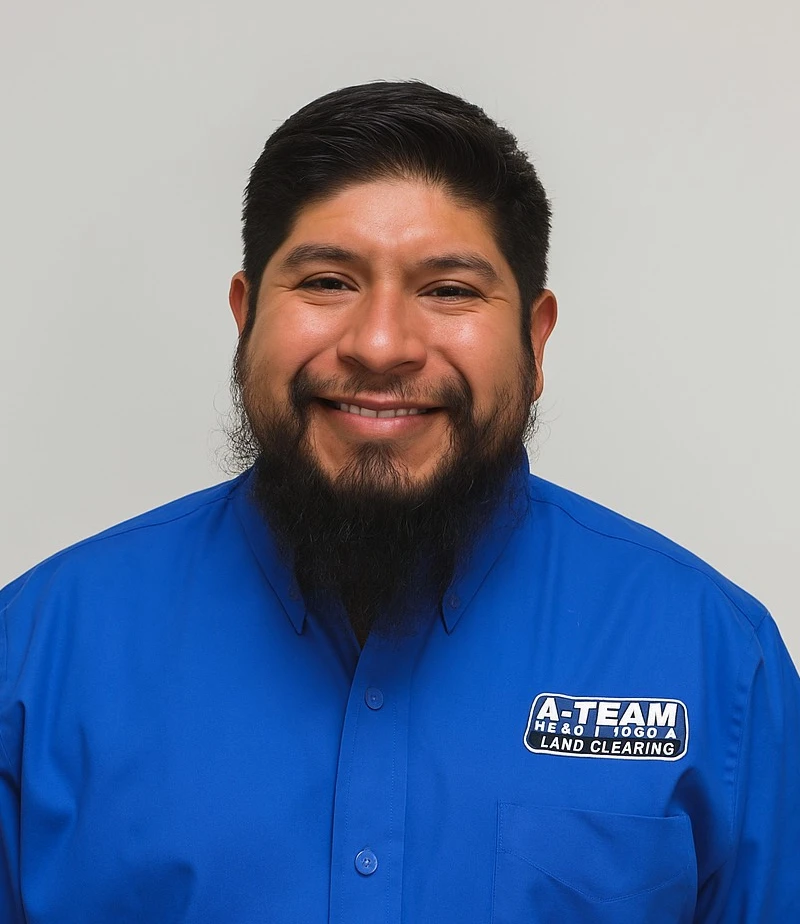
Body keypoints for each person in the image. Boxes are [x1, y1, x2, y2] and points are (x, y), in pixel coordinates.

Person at [0, 80, 797, 923]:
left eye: (449, 290)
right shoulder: (34, 658)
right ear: (245, 317)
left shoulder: (717, 664)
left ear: (534, 339)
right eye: (327, 281)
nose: (381, 346)